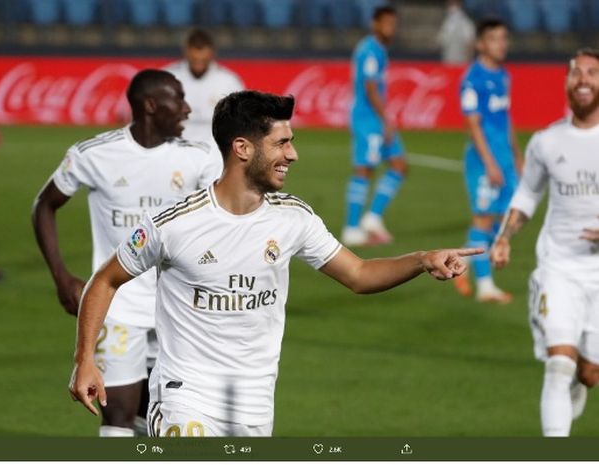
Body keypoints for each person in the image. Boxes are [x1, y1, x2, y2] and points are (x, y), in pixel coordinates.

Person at [68, 90, 481, 437]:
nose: (293, 154)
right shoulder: (174, 223)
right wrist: (85, 358)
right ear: (242, 148)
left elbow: (358, 274)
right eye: (282, 143)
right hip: (185, 395)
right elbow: (105, 280)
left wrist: (422, 259)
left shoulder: (293, 218)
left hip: (255, 402)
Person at [33, 69, 220, 437]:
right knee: (117, 417)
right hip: (118, 307)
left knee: (175, 420)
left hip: (179, 309)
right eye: (177, 99)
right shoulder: (95, 154)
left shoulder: (201, 158)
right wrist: (61, 277)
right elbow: (44, 206)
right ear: (151, 105)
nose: (186, 109)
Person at [490, 49, 599, 436]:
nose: (582, 79)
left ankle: (579, 379)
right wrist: (504, 236)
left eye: (591, 72)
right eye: (575, 73)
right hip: (559, 267)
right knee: (559, 363)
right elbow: (527, 195)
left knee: (587, 373)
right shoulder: (547, 142)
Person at [452, 17, 522, 303]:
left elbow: (506, 119)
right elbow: (474, 125)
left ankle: (465, 260)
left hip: (505, 159)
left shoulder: (504, 75)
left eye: (504, 38)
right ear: (481, 44)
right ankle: (485, 287)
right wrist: (490, 163)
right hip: (484, 162)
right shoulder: (472, 79)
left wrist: (517, 156)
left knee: (512, 219)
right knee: (483, 220)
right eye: (494, 38)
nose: (501, 44)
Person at [342, 5, 407, 247]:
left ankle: (372, 217)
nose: (391, 28)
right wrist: (386, 119)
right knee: (364, 170)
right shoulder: (369, 50)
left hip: (375, 119)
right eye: (387, 23)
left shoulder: (379, 50)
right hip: (368, 120)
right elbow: (369, 87)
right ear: (375, 24)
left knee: (399, 165)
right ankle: (351, 228)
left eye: (394, 23)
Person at [164, 28, 244, 151]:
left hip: (214, 151)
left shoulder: (229, 81)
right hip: (175, 149)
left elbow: (241, 121)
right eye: (194, 60)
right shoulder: (168, 77)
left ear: (212, 53)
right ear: (186, 51)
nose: (198, 65)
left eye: (203, 61)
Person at [436, 0, 475, 64]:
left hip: (460, 63)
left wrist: (468, 62)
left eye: (453, 2)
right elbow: (442, 41)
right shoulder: (447, 21)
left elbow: (470, 43)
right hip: (447, 61)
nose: (450, 5)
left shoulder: (466, 22)